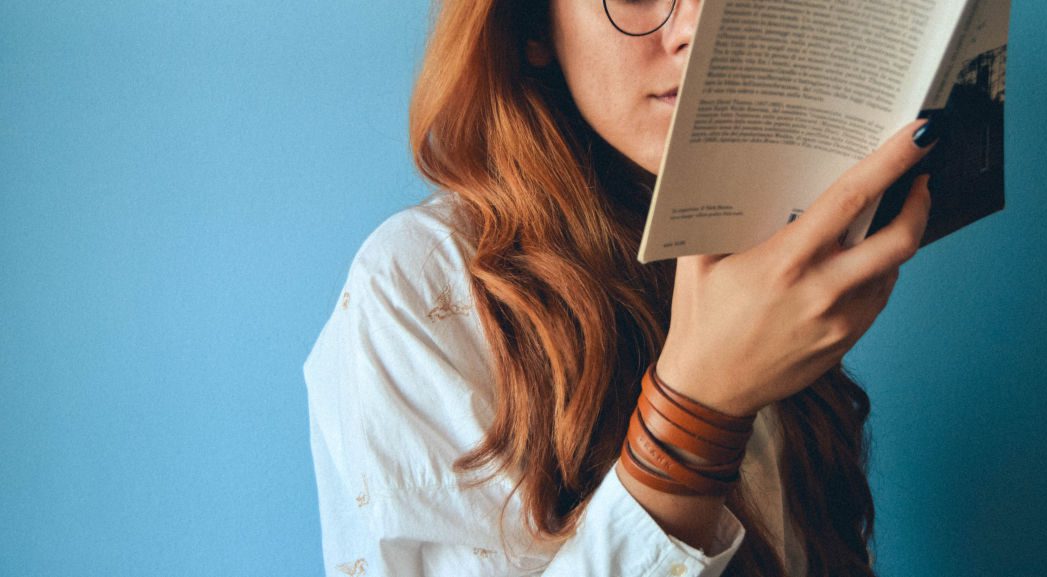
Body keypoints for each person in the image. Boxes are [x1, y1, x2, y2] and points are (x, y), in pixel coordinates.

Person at [304, 0, 939, 575]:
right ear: (531, 26)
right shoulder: (423, 282)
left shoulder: (762, 245)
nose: (698, 29)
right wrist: (697, 412)